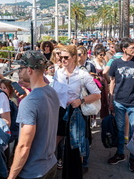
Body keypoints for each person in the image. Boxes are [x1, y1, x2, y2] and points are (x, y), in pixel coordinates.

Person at [8, 51, 59, 179]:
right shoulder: (51, 92)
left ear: (29, 70)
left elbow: (24, 146)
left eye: (21, 68)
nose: (19, 72)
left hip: (32, 172)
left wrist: (11, 176)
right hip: (50, 164)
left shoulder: (29, 102)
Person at [53, 45, 101, 178]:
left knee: (76, 145)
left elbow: (97, 94)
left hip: (76, 112)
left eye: (66, 57)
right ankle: (55, 165)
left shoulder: (82, 74)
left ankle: (76, 172)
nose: (62, 60)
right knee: (55, 140)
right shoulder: (58, 72)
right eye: (61, 57)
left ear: (74, 57)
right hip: (60, 111)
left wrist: (81, 101)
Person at [108, 38, 134, 173]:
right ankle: (120, 153)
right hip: (118, 101)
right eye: (132, 47)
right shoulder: (116, 63)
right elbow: (112, 81)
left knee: (133, 131)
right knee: (120, 129)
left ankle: (133, 157)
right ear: (124, 49)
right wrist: (110, 99)